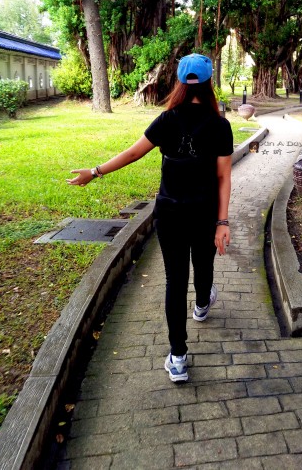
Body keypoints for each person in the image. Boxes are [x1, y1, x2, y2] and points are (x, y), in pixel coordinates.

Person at [67, 53, 233, 383]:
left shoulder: (166, 120)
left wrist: (94, 171)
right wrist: (223, 222)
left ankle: (178, 358)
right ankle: (202, 303)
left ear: (180, 82)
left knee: (175, 281)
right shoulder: (220, 125)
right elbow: (223, 177)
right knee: (204, 266)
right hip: (204, 213)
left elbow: (132, 153)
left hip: (169, 213)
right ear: (209, 82)